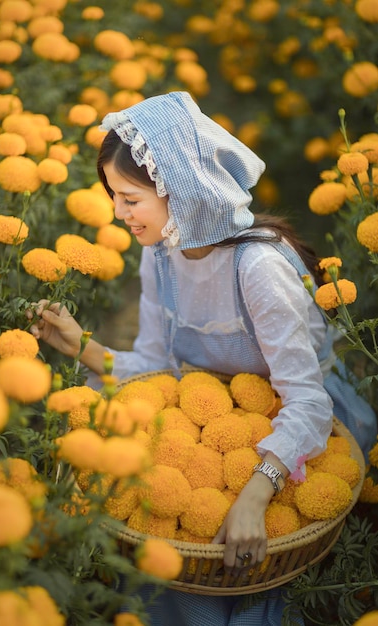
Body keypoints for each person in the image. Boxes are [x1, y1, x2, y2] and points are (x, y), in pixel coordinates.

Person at [29, 91, 377, 626]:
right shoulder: (162, 255)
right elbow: (155, 365)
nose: (119, 213)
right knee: (153, 515)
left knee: (221, 562)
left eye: (130, 198)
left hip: (295, 429)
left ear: (179, 189)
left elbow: (307, 401)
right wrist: (82, 347)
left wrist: (257, 492)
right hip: (208, 411)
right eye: (113, 197)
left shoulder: (256, 267)